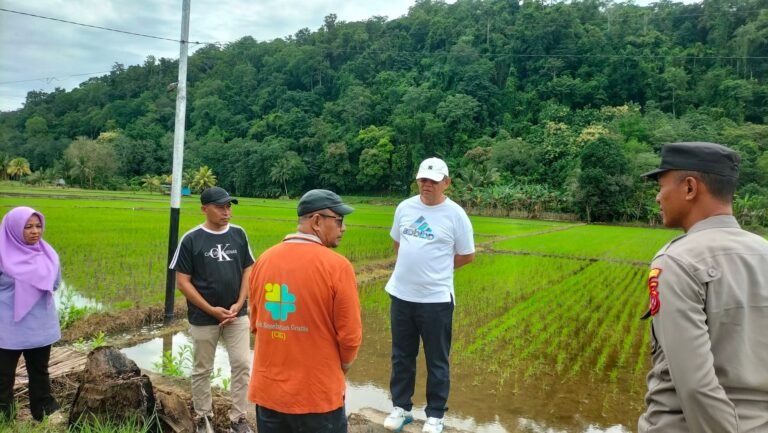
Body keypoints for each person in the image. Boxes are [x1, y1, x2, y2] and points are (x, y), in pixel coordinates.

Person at [638, 142, 768, 433]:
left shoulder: (678, 261)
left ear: (690, 188)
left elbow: (696, 387)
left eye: (661, 186)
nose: (658, 197)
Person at [247, 189, 362, 433]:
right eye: (339, 220)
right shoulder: (337, 267)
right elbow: (350, 338)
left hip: (268, 393)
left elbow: (256, 324)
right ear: (317, 221)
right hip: (317, 396)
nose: (343, 227)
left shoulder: (264, 260)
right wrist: (341, 369)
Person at [383, 158, 475, 433]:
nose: (427, 185)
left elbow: (467, 255)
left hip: (436, 300)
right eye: (423, 179)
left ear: (446, 183)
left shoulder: (455, 214)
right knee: (401, 356)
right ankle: (401, 408)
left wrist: (436, 271)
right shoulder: (405, 208)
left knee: (437, 359)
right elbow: (398, 244)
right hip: (401, 295)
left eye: (434, 181)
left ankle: (435, 415)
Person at [169, 187, 255, 433]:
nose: (226, 212)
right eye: (220, 207)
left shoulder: (239, 234)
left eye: (229, 206)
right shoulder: (192, 239)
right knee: (202, 368)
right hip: (204, 317)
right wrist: (210, 309)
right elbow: (182, 281)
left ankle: (238, 418)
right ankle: (202, 416)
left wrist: (240, 303)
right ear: (204, 208)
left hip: (237, 314)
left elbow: (248, 268)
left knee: (241, 363)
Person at [0, 207, 62, 423]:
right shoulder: (1, 254)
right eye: (27, 227)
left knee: (40, 371)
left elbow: (55, 284)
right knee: (3, 374)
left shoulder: (48, 254)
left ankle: (43, 410)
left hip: (39, 324)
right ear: (14, 229)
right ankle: (4, 416)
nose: (35, 231)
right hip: (7, 325)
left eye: (38, 226)